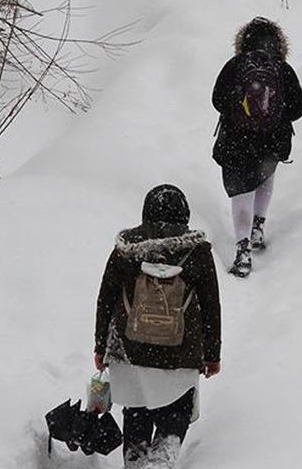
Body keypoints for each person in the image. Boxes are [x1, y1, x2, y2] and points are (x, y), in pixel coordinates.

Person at [94, 184, 222, 469]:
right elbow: (211, 306)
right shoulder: (198, 252)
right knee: (176, 408)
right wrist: (212, 355)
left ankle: (136, 460)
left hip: (129, 349)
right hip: (180, 352)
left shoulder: (125, 250)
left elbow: (106, 298)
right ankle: (162, 459)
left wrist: (100, 346)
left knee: (137, 409)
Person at [212, 16, 302, 277]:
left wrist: (239, 111)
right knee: (265, 176)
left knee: (241, 193)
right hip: (271, 143)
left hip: (236, 142)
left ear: (243, 41)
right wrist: (274, 115)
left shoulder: (235, 65)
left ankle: (243, 250)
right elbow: (300, 107)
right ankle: (258, 227)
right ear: (278, 43)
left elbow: (217, 100)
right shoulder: (282, 69)